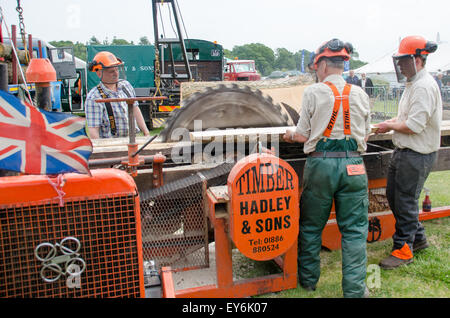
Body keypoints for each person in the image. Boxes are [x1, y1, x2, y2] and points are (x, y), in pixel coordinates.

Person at [283, 38, 371, 298]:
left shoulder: (313, 92)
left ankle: (308, 282)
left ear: (321, 65)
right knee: (354, 231)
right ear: (343, 65)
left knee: (311, 226)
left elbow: (302, 134)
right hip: (354, 165)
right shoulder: (360, 94)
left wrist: (289, 135)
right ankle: (355, 291)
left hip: (320, 164)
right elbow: (365, 135)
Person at [374, 35, 441, 269]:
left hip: (416, 154)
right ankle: (419, 238)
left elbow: (413, 126)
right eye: (399, 61)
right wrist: (390, 122)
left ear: (417, 59)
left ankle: (403, 250)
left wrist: (389, 126)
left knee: (404, 202)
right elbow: (406, 118)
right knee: (396, 198)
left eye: (403, 60)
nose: (400, 65)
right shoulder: (413, 84)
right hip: (406, 153)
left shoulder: (423, 87)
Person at [85, 51, 150, 139]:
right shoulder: (94, 97)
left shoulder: (126, 86)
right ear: (99, 73)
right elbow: (93, 130)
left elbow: (135, 109)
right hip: (110, 145)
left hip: (132, 139)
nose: (116, 73)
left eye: (116, 69)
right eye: (111, 71)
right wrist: (99, 150)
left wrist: (146, 133)